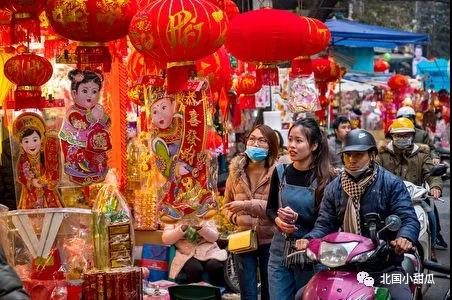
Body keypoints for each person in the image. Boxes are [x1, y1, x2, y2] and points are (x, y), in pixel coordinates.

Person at [295, 129, 420, 300]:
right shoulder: (334, 188)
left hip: (383, 266)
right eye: (348, 155)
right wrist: (309, 239)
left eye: (358, 155)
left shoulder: (391, 184)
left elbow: (408, 218)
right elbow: (324, 224)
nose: (352, 160)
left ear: (372, 156)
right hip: (343, 266)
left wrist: (405, 236)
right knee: (302, 295)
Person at [266, 118, 333, 300]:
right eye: (290, 139)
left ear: (314, 146)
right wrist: (278, 220)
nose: (292, 146)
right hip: (280, 250)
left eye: (299, 141)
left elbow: (329, 221)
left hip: (312, 252)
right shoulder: (280, 172)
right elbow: (270, 209)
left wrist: (298, 219)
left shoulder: (326, 178)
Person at [222, 124, 279, 300]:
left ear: (271, 146)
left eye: (262, 140)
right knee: (248, 293)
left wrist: (245, 206)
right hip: (243, 239)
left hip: (270, 240)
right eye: (252, 139)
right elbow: (226, 204)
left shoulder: (278, 172)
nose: (256, 143)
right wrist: (234, 217)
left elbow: (276, 207)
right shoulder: (235, 172)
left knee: (270, 291)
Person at [376, 117, 443, 260]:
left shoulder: (422, 155)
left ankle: (431, 246)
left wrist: (435, 186)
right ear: (392, 136)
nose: (402, 138)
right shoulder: (381, 155)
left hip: (415, 200)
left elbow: (431, 174)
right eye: (398, 135)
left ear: (412, 136)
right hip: (388, 200)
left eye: (406, 135)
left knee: (431, 216)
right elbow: (373, 172)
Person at [59, 69, 111, 185]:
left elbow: (108, 123)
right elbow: (80, 124)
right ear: (74, 93)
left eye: (94, 91)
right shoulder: (73, 112)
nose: (90, 95)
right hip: (78, 146)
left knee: (98, 161)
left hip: (96, 146)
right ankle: (79, 173)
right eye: (85, 91)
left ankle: (98, 171)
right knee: (81, 162)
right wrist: (93, 117)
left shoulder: (97, 109)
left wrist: (103, 118)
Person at [13, 113, 63, 209]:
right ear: (21, 144)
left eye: (35, 140)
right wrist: (31, 181)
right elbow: (21, 175)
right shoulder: (23, 159)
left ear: (41, 140)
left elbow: (53, 169)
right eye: (26, 141)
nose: (31, 144)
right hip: (30, 193)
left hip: (47, 192)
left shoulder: (44, 155)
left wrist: (46, 180)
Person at [161, 221, 227, 287]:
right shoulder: (173, 217)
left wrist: (201, 229)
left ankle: (218, 291)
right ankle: (196, 293)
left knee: (214, 266)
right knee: (194, 268)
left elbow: (214, 237)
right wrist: (181, 228)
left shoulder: (204, 216)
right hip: (187, 253)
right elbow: (166, 239)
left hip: (208, 251)